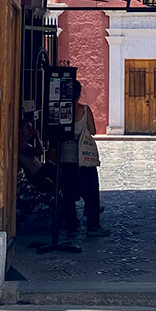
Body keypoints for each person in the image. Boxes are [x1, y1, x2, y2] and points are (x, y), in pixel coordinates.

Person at [58, 80, 110, 237]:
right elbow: (93, 131)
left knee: (67, 193)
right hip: (83, 157)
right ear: (79, 93)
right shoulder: (85, 110)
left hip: (66, 157)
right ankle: (93, 225)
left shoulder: (60, 110)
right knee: (91, 191)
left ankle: (71, 225)